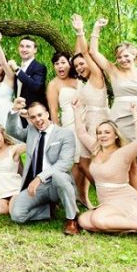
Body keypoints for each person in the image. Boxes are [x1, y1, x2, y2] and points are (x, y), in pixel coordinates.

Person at [89, 17, 137, 198]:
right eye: (119, 56)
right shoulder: (113, 70)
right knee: (132, 166)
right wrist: (97, 28)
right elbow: (93, 52)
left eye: (126, 55)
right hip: (120, 120)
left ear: (135, 55)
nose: (122, 59)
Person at [72, 100, 137, 236]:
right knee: (84, 221)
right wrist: (77, 110)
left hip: (124, 201)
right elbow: (81, 133)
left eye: (107, 132)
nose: (102, 136)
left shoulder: (123, 153)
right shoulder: (96, 149)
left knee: (98, 219)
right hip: (107, 204)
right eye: (99, 133)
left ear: (115, 135)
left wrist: (135, 116)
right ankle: (123, 227)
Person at [7, 98, 80, 235]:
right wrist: (14, 110)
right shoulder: (31, 131)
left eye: (40, 115)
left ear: (47, 114)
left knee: (59, 176)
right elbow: (12, 131)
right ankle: (48, 210)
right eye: (33, 117)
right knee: (17, 215)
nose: (37, 120)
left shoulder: (65, 134)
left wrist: (40, 178)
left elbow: (65, 163)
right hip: (37, 187)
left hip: (56, 183)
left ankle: (72, 219)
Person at [70, 14, 110, 209]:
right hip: (86, 125)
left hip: (99, 124)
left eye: (81, 64)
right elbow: (79, 55)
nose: (79, 66)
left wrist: (83, 30)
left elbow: (85, 53)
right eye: (76, 66)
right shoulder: (84, 83)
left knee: (100, 163)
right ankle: (84, 198)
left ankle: (109, 196)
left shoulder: (97, 77)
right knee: (84, 164)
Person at [45, 51, 83, 204]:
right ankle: (70, 195)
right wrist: (58, 132)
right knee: (75, 160)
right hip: (69, 123)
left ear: (69, 63)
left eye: (63, 62)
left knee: (84, 159)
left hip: (85, 120)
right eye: (56, 63)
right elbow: (53, 110)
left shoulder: (79, 78)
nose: (60, 66)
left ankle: (81, 195)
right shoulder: (54, 84)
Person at [9, 36, 47, 114]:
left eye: (28, 47)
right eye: (22, 46)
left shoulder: (39, 67)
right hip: (19, 113)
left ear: (35, 50)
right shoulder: (19, 68)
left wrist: (16, 70)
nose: (24, 49)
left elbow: (36, 86)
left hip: (34, 114)